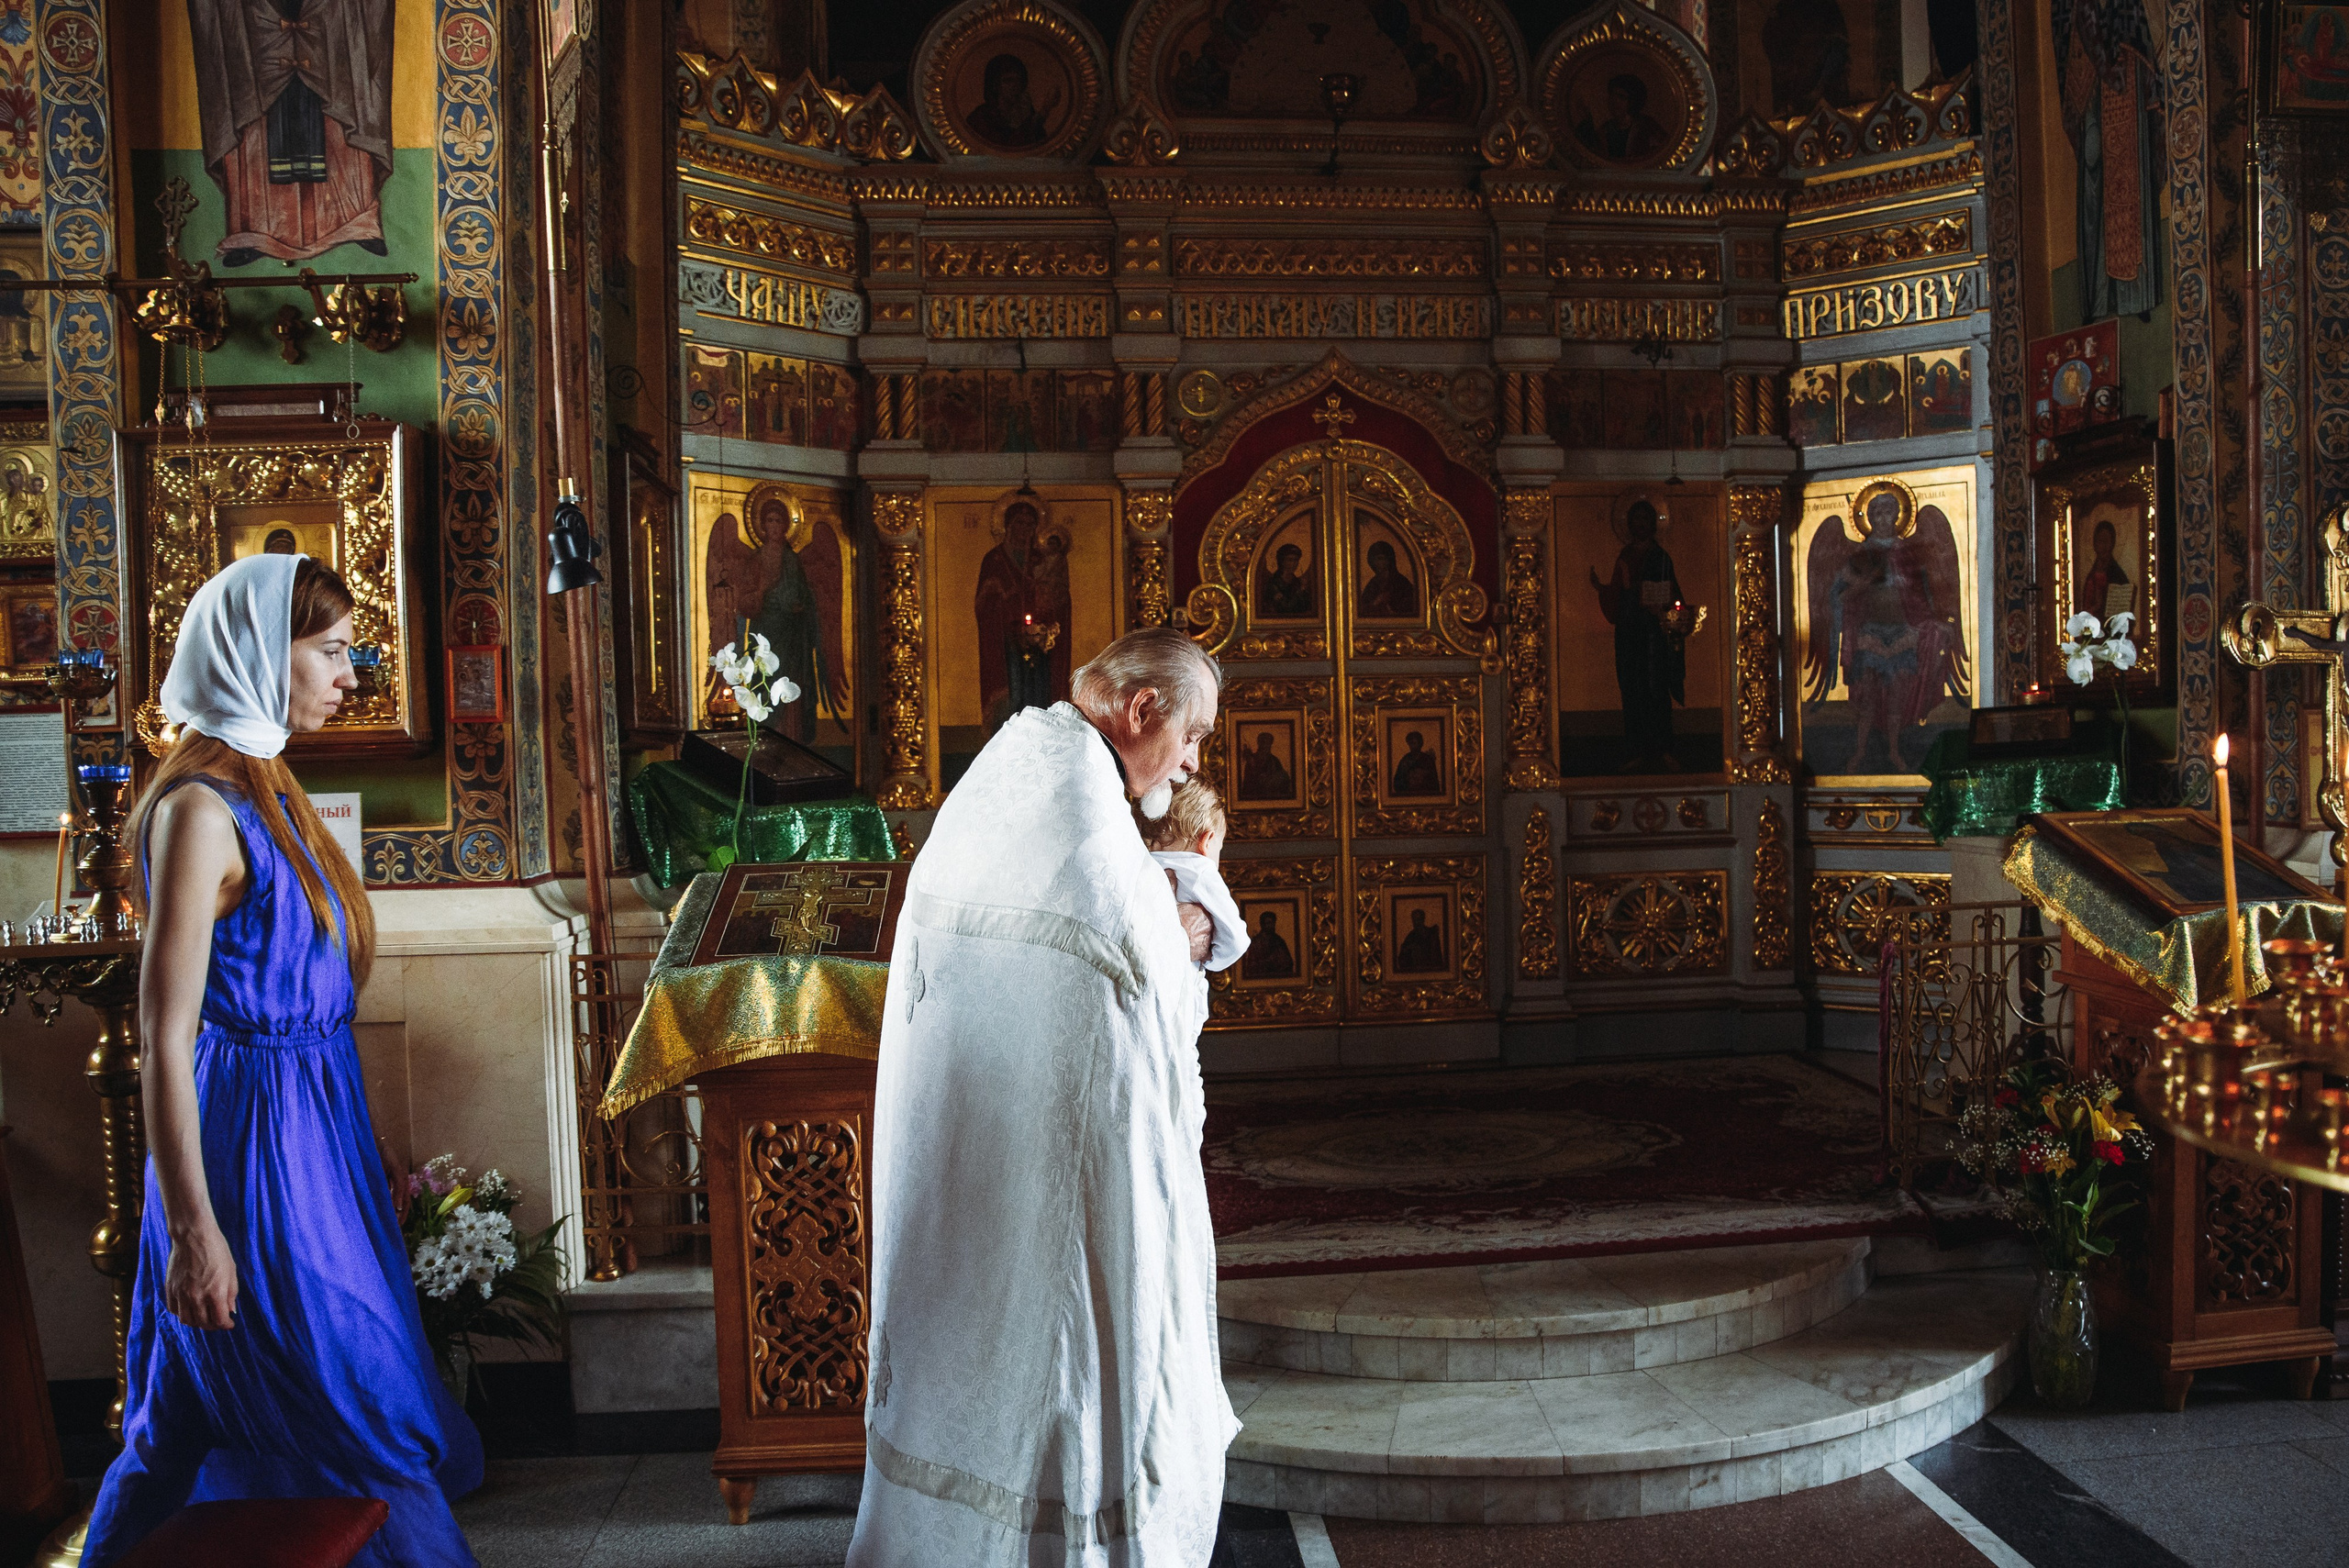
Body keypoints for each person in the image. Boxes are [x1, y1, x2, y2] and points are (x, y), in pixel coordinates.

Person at [83, 554, 481, 1567]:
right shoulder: (200, 811)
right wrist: (193, 1232)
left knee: (355, 1393)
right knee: (341, 1396)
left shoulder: (275, 788)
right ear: (261, 653)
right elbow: (167, 1037)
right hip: (252, 1153)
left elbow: (321, 1012)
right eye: (332, 650)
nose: (352, 674)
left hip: (316, 1136)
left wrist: (372, 1148)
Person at [850, 628, 1231, 1567]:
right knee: (1063, 1358)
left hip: (980, 1165)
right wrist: (1197, 900)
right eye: (1193, 735)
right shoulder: (1082, 809)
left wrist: (1170, 904)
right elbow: (1144, 983)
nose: (1191, 761)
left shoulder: (1016, 762)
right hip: (1055, 1185)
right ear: (1142, 709)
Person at [1590, 500, 1686, 773]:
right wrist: (1602, 588)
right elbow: (1619, 595)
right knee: (1632, 690)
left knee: (1657, 689)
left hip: (1654, 635)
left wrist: (1667, 609)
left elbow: (1672, 593)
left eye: (1646, 519)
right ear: (1630, 524)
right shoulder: (1625, 555)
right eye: (1637, 519)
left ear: (1653, 524)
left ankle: (1664, 750)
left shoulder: (1661, 557)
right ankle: (1636, 751)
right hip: (1630, 633)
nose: (1641, 524)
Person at [1138, 776, 1248, 974]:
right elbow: (1237, 939)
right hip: (1184, 977)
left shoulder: (1140, 863)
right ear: (1207, 841)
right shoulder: (1200, 871)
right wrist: (1211, 960)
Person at [1356, 539, 1419, 619]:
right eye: (1374, 559)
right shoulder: (1373, 583)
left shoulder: (1402, 582)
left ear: (1388, 561)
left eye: (1380, 558)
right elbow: (1363, 609)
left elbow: (1409, 608)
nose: (1376, 563)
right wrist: (1376, 602)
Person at [1257, 541, 1315, 618]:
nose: (1294, 564)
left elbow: (1307, 606)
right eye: (1290, 560)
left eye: (1296, 560)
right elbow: (1285, 608)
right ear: (1282, 561)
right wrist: (1300, 591)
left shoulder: (1298, 582)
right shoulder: (1274, 583)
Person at [1238, 728, 1294, 802]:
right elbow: (1248, 784)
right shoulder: (1252, 760)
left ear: (1270, 744)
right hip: (1255, 798)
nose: (1265, 745)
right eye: (1263, 742)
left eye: (1267, 743)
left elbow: (1283, 781)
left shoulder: (1274, 760)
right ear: (1259, 743)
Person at [1240, 909, 1296, 981]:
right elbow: (1251, 966)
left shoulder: (1279, 941)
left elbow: (1289, 963)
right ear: (1262, 924)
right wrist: (1268, 961)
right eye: (1268, 923)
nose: (1271, 926)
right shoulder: (1256, 942)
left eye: (1273, 923)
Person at [1395, 906, 1447, 973]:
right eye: (1414, 920)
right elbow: (1403, 957)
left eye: (1418, 919)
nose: (1416, 922)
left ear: (1423, 919)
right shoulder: (1411, 936)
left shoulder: (1431, 934)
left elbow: (1436, 957)